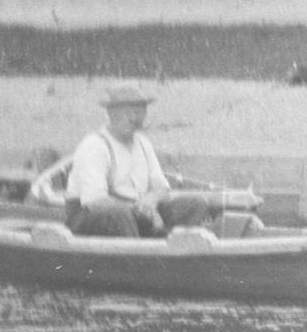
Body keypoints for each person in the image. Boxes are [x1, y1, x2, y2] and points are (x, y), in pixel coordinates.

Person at [63, 83, 218, 237]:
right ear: (111, 113)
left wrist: (152, 200)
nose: (133, 118)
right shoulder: (94, 146)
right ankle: (140, 258)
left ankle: (172, 252)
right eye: (126, 112)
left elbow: (163, 190)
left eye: (139, 111)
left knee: (195, 204)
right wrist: (140, 210)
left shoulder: (143, 144)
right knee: (120, 215)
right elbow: (94, 202)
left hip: (137, 214)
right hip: (89, 217)